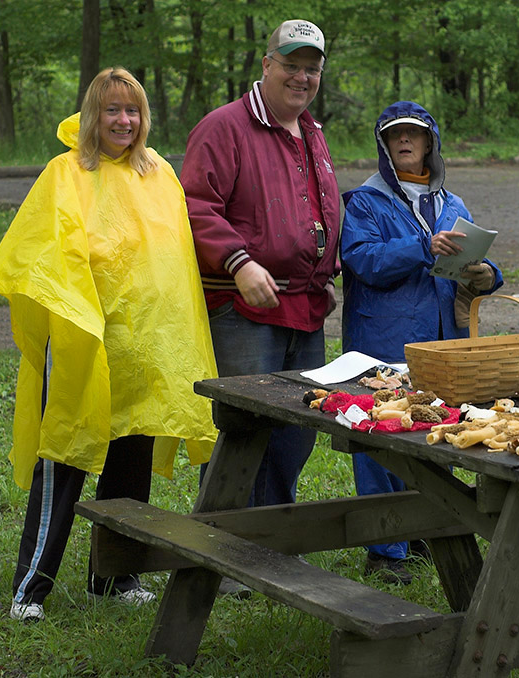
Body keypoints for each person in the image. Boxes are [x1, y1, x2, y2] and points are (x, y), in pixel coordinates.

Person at [0, 67, 218, 623]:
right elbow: (41, 258)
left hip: (143, 349)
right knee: (65, 455)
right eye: (112, 110)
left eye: (132, 111)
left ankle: (113, 576)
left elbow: (173, 264)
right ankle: (29, 589)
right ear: (93, 115)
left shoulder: (158, 173)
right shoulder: (66, 173)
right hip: (84, 344)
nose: (123, 121)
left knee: (128, 466)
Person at [341, 101, 503, 584]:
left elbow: (483, 264)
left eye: (414, 134)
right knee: (380, 434)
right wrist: (420, 246)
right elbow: (361, 260)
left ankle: (427, 532)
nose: (405, 142)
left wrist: (485, 274)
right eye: (395, 136)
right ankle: (385, 550)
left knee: (434, 432)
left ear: (431, 142)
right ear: (384, 145)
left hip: (443, 341)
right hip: (382, 335)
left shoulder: (452, 204)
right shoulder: (365, 202)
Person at [180, 18, 340, 510]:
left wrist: (323, 272)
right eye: (291, 66)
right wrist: (239, 264)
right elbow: (194, 205)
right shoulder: (225, 126)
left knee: (296, 434)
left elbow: (317, 210)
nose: (302, 77)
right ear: (267, 65)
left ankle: (271, 543)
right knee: (243, 430)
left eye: (311, 69)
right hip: (244, 310)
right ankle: (224, 556)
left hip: (305, 308)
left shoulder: (311, 131)